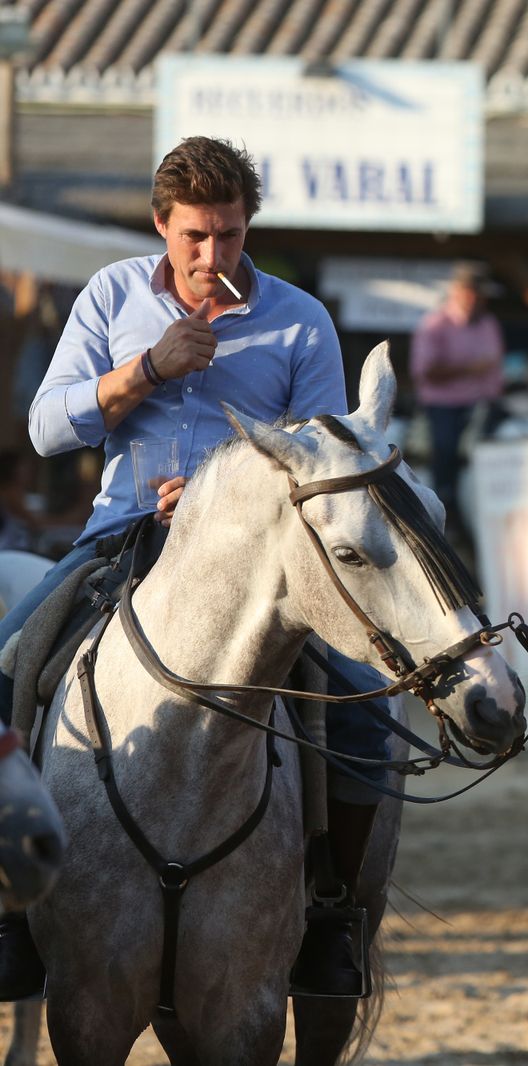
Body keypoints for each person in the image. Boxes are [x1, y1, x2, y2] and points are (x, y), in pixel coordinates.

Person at [0, 136, 392, 1000]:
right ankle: (13, 914)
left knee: (364, 709)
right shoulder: (109, 295)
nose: (213, 256)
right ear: (160, 225)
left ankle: (332, 911)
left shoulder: (301, 319)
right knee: (10, 660)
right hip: (119, 537)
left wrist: (221, 496)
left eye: (230, 235)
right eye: (194, 238)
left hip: (253, 560)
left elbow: (321, 464)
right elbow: (46, 429)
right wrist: (145, 369)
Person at [410, 262, 505, 524]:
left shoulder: (488, 323)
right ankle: (446, 508)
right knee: (446, 451)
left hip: (485, 403)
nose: (480, 299)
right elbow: (425, 372)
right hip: (445, 405)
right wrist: (471, 369)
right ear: (461, 292)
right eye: (476, 292)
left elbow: (495, 366)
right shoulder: (435, 324)